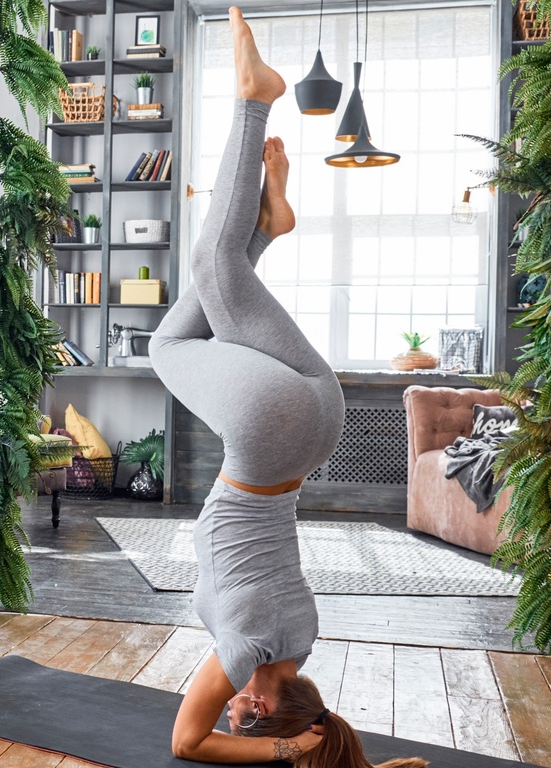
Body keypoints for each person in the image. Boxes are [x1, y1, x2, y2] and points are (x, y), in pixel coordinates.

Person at [150, 9, 427, 767]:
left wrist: (314, 743)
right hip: (266, 435)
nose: (235, 709)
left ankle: (269, 227)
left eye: (236, 714)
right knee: (190, 307)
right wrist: (280, 755)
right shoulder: (244, 651)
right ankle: (255, 96)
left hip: (317, 422)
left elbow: (291, 713)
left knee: (214, 288)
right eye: (249, 714)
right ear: (267, 704)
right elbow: (185, 744)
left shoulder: (304, 638)